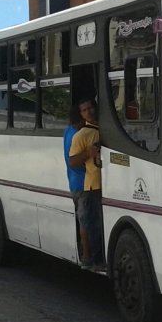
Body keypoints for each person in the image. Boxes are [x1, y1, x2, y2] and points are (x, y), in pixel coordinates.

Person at [69, 99, 104, 271]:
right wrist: (87, 153)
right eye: (84, 110)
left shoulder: (109, 128)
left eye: (90, 108)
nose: (88, 111)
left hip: (114, 185)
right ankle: (97, 260)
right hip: (93, 186)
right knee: (95, 225)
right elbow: (73, 161)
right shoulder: (81, 135)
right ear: (81, 115)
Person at [63, 105, 88, 266]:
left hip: (74, 183)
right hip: (82, 184)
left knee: (83, 220)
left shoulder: (67, 131)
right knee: (85, 221)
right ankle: (86, 256)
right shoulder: (77, 136)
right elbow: (74, 161)